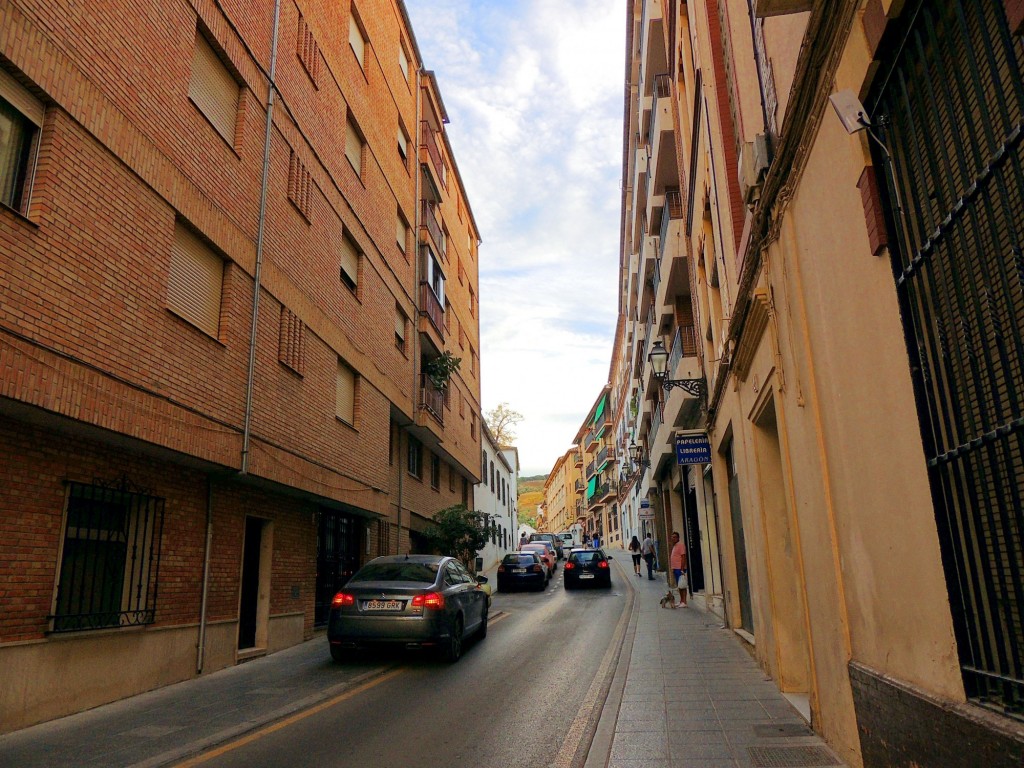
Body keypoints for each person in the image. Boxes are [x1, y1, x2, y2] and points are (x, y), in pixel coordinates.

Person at [669, 531, 688, 607]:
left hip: (679, 568)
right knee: (679, 585)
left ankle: (684, 601)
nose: (673, 538)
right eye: (672, 537)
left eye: (674, 537)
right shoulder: (675, 546)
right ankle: (681, 601)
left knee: (682, 585)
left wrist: (682, 569)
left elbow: (683, 557)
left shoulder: (681, 545)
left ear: (678, 538)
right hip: (675, 568)